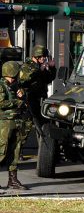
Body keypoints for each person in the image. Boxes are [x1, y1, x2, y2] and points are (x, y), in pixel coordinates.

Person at [18, 45, 56, 155]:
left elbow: (49, 78)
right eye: (42, 56)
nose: (44, 58)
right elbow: (24, 80)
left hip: (40, 101)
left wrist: (52, 68)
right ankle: (17, 152)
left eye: (45, 56)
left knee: (45, 126)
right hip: (29, 101)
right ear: (36, 56)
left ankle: (46, 152)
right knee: (26, 127)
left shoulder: (40, 66)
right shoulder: (27, 66)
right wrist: (39, 70)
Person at [0, 61, 28, 190]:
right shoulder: (1, 86)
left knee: (15, 151)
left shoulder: (16, 86)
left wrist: (23, 96)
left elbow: (23, 100)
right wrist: (17, 102)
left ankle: (12, 180)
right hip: (4, 123)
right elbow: (2, 103)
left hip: (16, 121)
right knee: (2, 150)